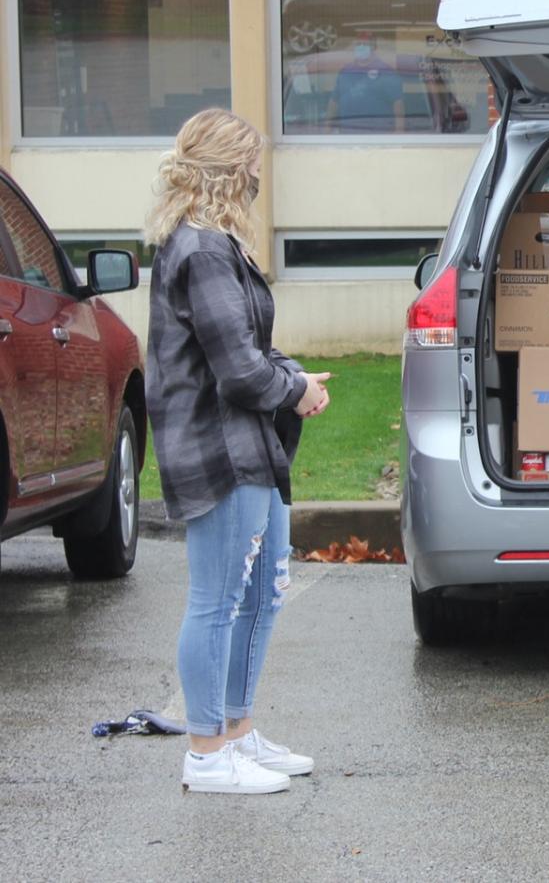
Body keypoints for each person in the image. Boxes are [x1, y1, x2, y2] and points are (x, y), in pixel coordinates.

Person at [145, 109, 332, 794]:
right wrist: (298, 390)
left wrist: (297, 377)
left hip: (248, 445)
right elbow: (241, 371)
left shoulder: (216, 244)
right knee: (217, 600)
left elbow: (250, 348)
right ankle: (206, 752)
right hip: (217, 448)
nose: (260, 176)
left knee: (262, 593)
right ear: (231, 171)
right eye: (253, 164)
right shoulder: (200, 249)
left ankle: (235, 729)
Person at [328, 31, 405, 131]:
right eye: (359, 44)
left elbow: (398, 104)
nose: (361, 47)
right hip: (348, 134)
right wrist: (328, 127)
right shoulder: (345, 71)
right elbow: (334, 101)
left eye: (365, 44)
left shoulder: (385, 71)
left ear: (373, 47)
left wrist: (399, 132)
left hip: (377, 133)